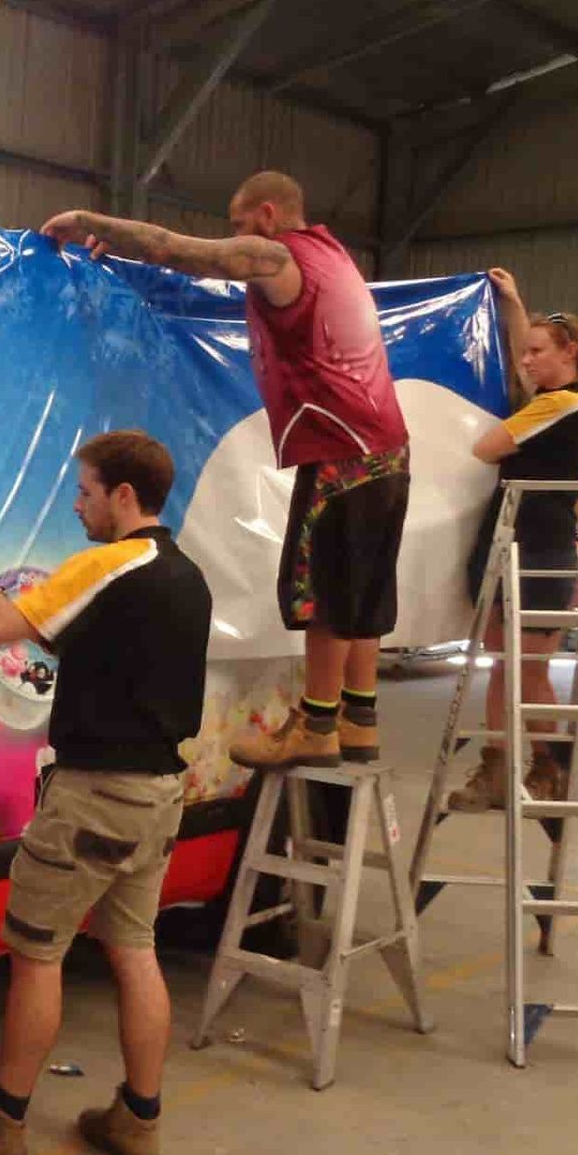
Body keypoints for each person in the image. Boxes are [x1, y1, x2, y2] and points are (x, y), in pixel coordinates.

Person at [0, 430, 211, 1155]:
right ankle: (139, 1121)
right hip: (158, 795)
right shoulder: (186, 575)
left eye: (85, 492)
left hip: (95, 796)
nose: (78, 506)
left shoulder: (107, 564)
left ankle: (0, 1120)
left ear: (124, 497)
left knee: (38, 953)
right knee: (134, 949)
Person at [41, 172, 408, 770]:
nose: (235, 237)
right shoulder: (335, 256)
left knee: (327, 597)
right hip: (389, 453)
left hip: (343, 456)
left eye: (239, 224)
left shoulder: (279, 256)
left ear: (267, 214)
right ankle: (357, 718)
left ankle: (317, 725)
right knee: (363, 593)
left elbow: (177, 250)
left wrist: (95, 224)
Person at [449, 270, 578, 810]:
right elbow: (523, 352)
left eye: (538, 352)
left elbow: (487, 448)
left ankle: (547, 766)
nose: (526, 360)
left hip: (542, 548)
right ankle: (495, 770)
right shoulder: (549, 400)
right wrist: (513, 302)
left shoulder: (561, 404)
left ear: (571, 351)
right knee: (502, 664)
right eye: (526, 351)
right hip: (508, 540)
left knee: (526, 667)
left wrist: (508, 426)